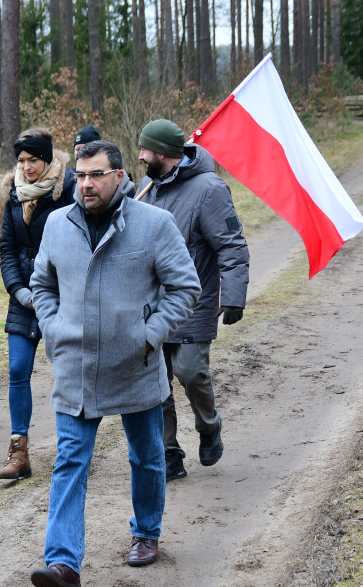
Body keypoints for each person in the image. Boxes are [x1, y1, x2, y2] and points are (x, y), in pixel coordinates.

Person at [28, 140, 200, 587]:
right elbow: (41, 282)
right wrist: (52, 326)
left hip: (136, 364)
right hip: (76, 366)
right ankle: (63, 563)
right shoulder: (56, 226)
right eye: (80, 176)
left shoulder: (153, 225)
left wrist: (149, 334)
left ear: (119, 176)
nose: (86, 184)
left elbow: (185, 287)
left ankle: (147, 530)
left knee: (146, 455)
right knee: (70, 461)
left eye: (97, 175)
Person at [135, 119, 250, 481]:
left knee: (189, 372)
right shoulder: (145, 187)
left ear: (164, 153)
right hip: (151, 305)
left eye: (146, 150)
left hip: (192, 301)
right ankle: (169, 452)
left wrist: (234, 297)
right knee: (156, 386)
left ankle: (209, 424)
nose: (140, 156)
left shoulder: (209, 189)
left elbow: (231, 245)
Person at [0, 128, 76, 479]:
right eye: (22, 161)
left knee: (65, 371)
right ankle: (19, 451)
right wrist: (18, 290)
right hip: (23, 296)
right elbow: (8, 249)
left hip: (60, 294)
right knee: (17, 370)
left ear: (47, 158)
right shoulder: (14, 194)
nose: (26, 167)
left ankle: (71, 448)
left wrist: (51, 290)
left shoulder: (69, 191)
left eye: (33, 160)